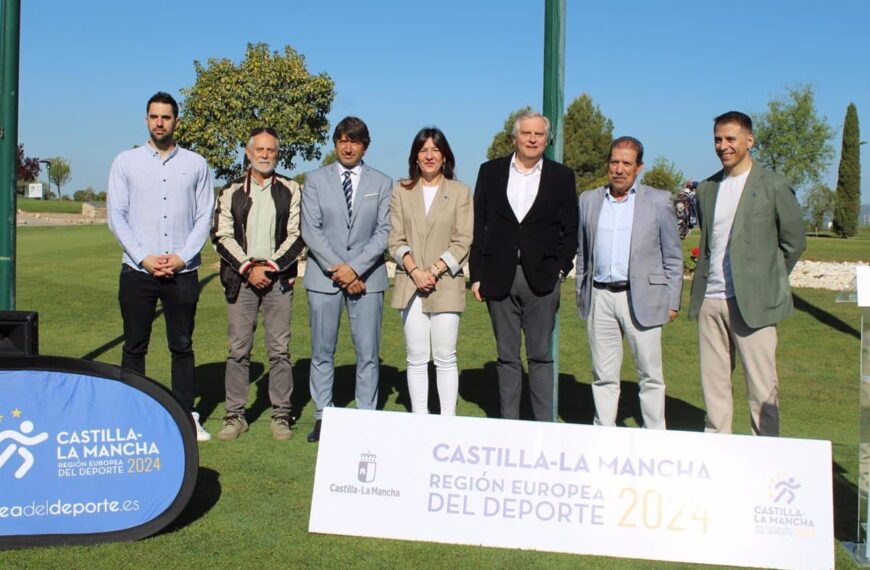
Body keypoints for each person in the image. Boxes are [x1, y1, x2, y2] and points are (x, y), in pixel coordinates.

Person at [688, 111, 806, 436]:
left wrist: (767, 282)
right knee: (714, 387)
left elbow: (794, 242)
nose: (723, 146)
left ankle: (766, 456)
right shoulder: (707, 188)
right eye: (718, 139)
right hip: (710, 300)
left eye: (730, 139)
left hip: (754, 303)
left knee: (761, 388)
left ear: (749, 140)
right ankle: (717, 453)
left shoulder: (774, 186)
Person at [107, 91, 214, 441]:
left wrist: (182, 256)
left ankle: (185, 415)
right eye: (154, 116)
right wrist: (145, 258)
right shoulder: (126, 162)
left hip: (182, 273)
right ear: (146, 119)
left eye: (166, 117)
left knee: (181, 345)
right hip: (138, 272)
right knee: (134, 346)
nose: (159, 123)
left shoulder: (196, 164)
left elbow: (204, 216)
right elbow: (117, 217)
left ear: (176, 121)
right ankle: (130, 415)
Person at [469, 110, 578, 422]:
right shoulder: (489, 172)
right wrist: (477, 276)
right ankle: (509, 425)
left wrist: (560, 270)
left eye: (539, 134)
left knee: (541, 356)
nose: (532, 139)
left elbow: (570, 229)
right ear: (514, 137)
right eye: (526, 133)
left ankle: (543, 425)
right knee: (506, 357)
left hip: (542, 279)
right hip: (498, 277)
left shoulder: (561, 176)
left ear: (546, 139)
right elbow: (479, 224)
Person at [575, 137, 683, 429]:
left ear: (639, 168)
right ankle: (604, 434)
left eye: (626, 163)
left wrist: (673, 301)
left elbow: (672, 255)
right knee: (603, 374)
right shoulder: (588, 200)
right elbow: (583, 253)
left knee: (650, 374)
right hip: (600, 297)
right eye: (614, 162)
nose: (619, 169)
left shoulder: (659, 201)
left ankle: (654, 437)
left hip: (643, 299)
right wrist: (582, 294)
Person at [211, 128, 305, 441]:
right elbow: (221, 236)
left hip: (277, 280)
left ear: (278, 154)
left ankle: (281, 415)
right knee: (239, 350)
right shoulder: (231, 190)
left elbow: (298, 235)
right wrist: (249, 267)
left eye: (271, 150)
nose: (265, 155)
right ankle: (234, 416)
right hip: (242, 280)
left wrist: (272, 267)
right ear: (249, 153)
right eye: (260, 150)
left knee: (279, 350)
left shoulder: (291, 189)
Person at [301, 116, 392, 442]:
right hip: (324, 279)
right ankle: (323, 415)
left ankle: (366, 416)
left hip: (368, 279)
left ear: (365, 145)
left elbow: (384, 232)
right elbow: (311, 230)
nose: (348, 146)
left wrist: (355, 268)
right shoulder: (314, 180)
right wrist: (341, 270)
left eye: (354, 140)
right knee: (322, 350)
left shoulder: (382, 182)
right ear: (335, 143)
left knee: (367, 352)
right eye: (342, 140)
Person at [388, 127, 473, 415]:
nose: (429, 156)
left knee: (445, 357)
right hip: (409, 284)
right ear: (415, 156)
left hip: (446, 284)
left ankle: (446, 422)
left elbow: (463, 240)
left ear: (445, 155)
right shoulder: (401, 190)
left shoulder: (460, 192)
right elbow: (395, 239)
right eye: (423, 150)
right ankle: (419, 420)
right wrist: (415, 272)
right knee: (416, 357)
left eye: (435, 150)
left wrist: (434, 271)